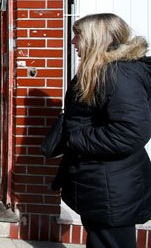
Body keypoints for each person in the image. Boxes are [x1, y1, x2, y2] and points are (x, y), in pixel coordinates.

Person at [52, 13, 151, 248]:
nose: (73, 42)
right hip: (103, 182)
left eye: (78, 35)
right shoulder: (102, 71)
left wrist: (75, 138)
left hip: (112, 186)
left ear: (98, 39)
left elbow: (130, 132)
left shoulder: (118, 75)